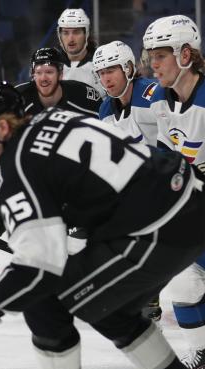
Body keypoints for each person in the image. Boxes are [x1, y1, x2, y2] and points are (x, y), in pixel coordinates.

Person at [0, 80, 205, 369]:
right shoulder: (51, 119)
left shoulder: (16, 164)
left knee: (45, 295)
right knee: (111, 307)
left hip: (159, 227)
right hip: (187, 201)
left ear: (2, 127)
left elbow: (38, 264)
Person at [0, 47, 102, 303]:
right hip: (23, 173)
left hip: (66, 178)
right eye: (38, 72)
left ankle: (74, 283)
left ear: (60, 73)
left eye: (49, 71)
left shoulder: (84, 96)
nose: (44, 77)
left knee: (79, 231)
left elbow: (109, 120)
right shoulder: (18, 98)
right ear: (32, 74)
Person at [144, 15, 205, 369]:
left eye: (162, 55)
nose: (154, 63)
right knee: (182, 283)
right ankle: (201, 352)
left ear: (186, 54)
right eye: (151, 55)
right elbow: (169, 168)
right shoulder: (161, 104)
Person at [93, 40, 165, 322]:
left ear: (128, 68)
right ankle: (148, 307)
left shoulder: (152, 93)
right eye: (100, 72)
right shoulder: (105, 111)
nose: (106, 78)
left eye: (111, 69)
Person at [56, 8, 105, 96]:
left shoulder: (102, 63)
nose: (71, 39)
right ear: (60, 36)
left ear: (86, 34)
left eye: (76, 32)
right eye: (66, 33)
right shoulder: (52, 65)